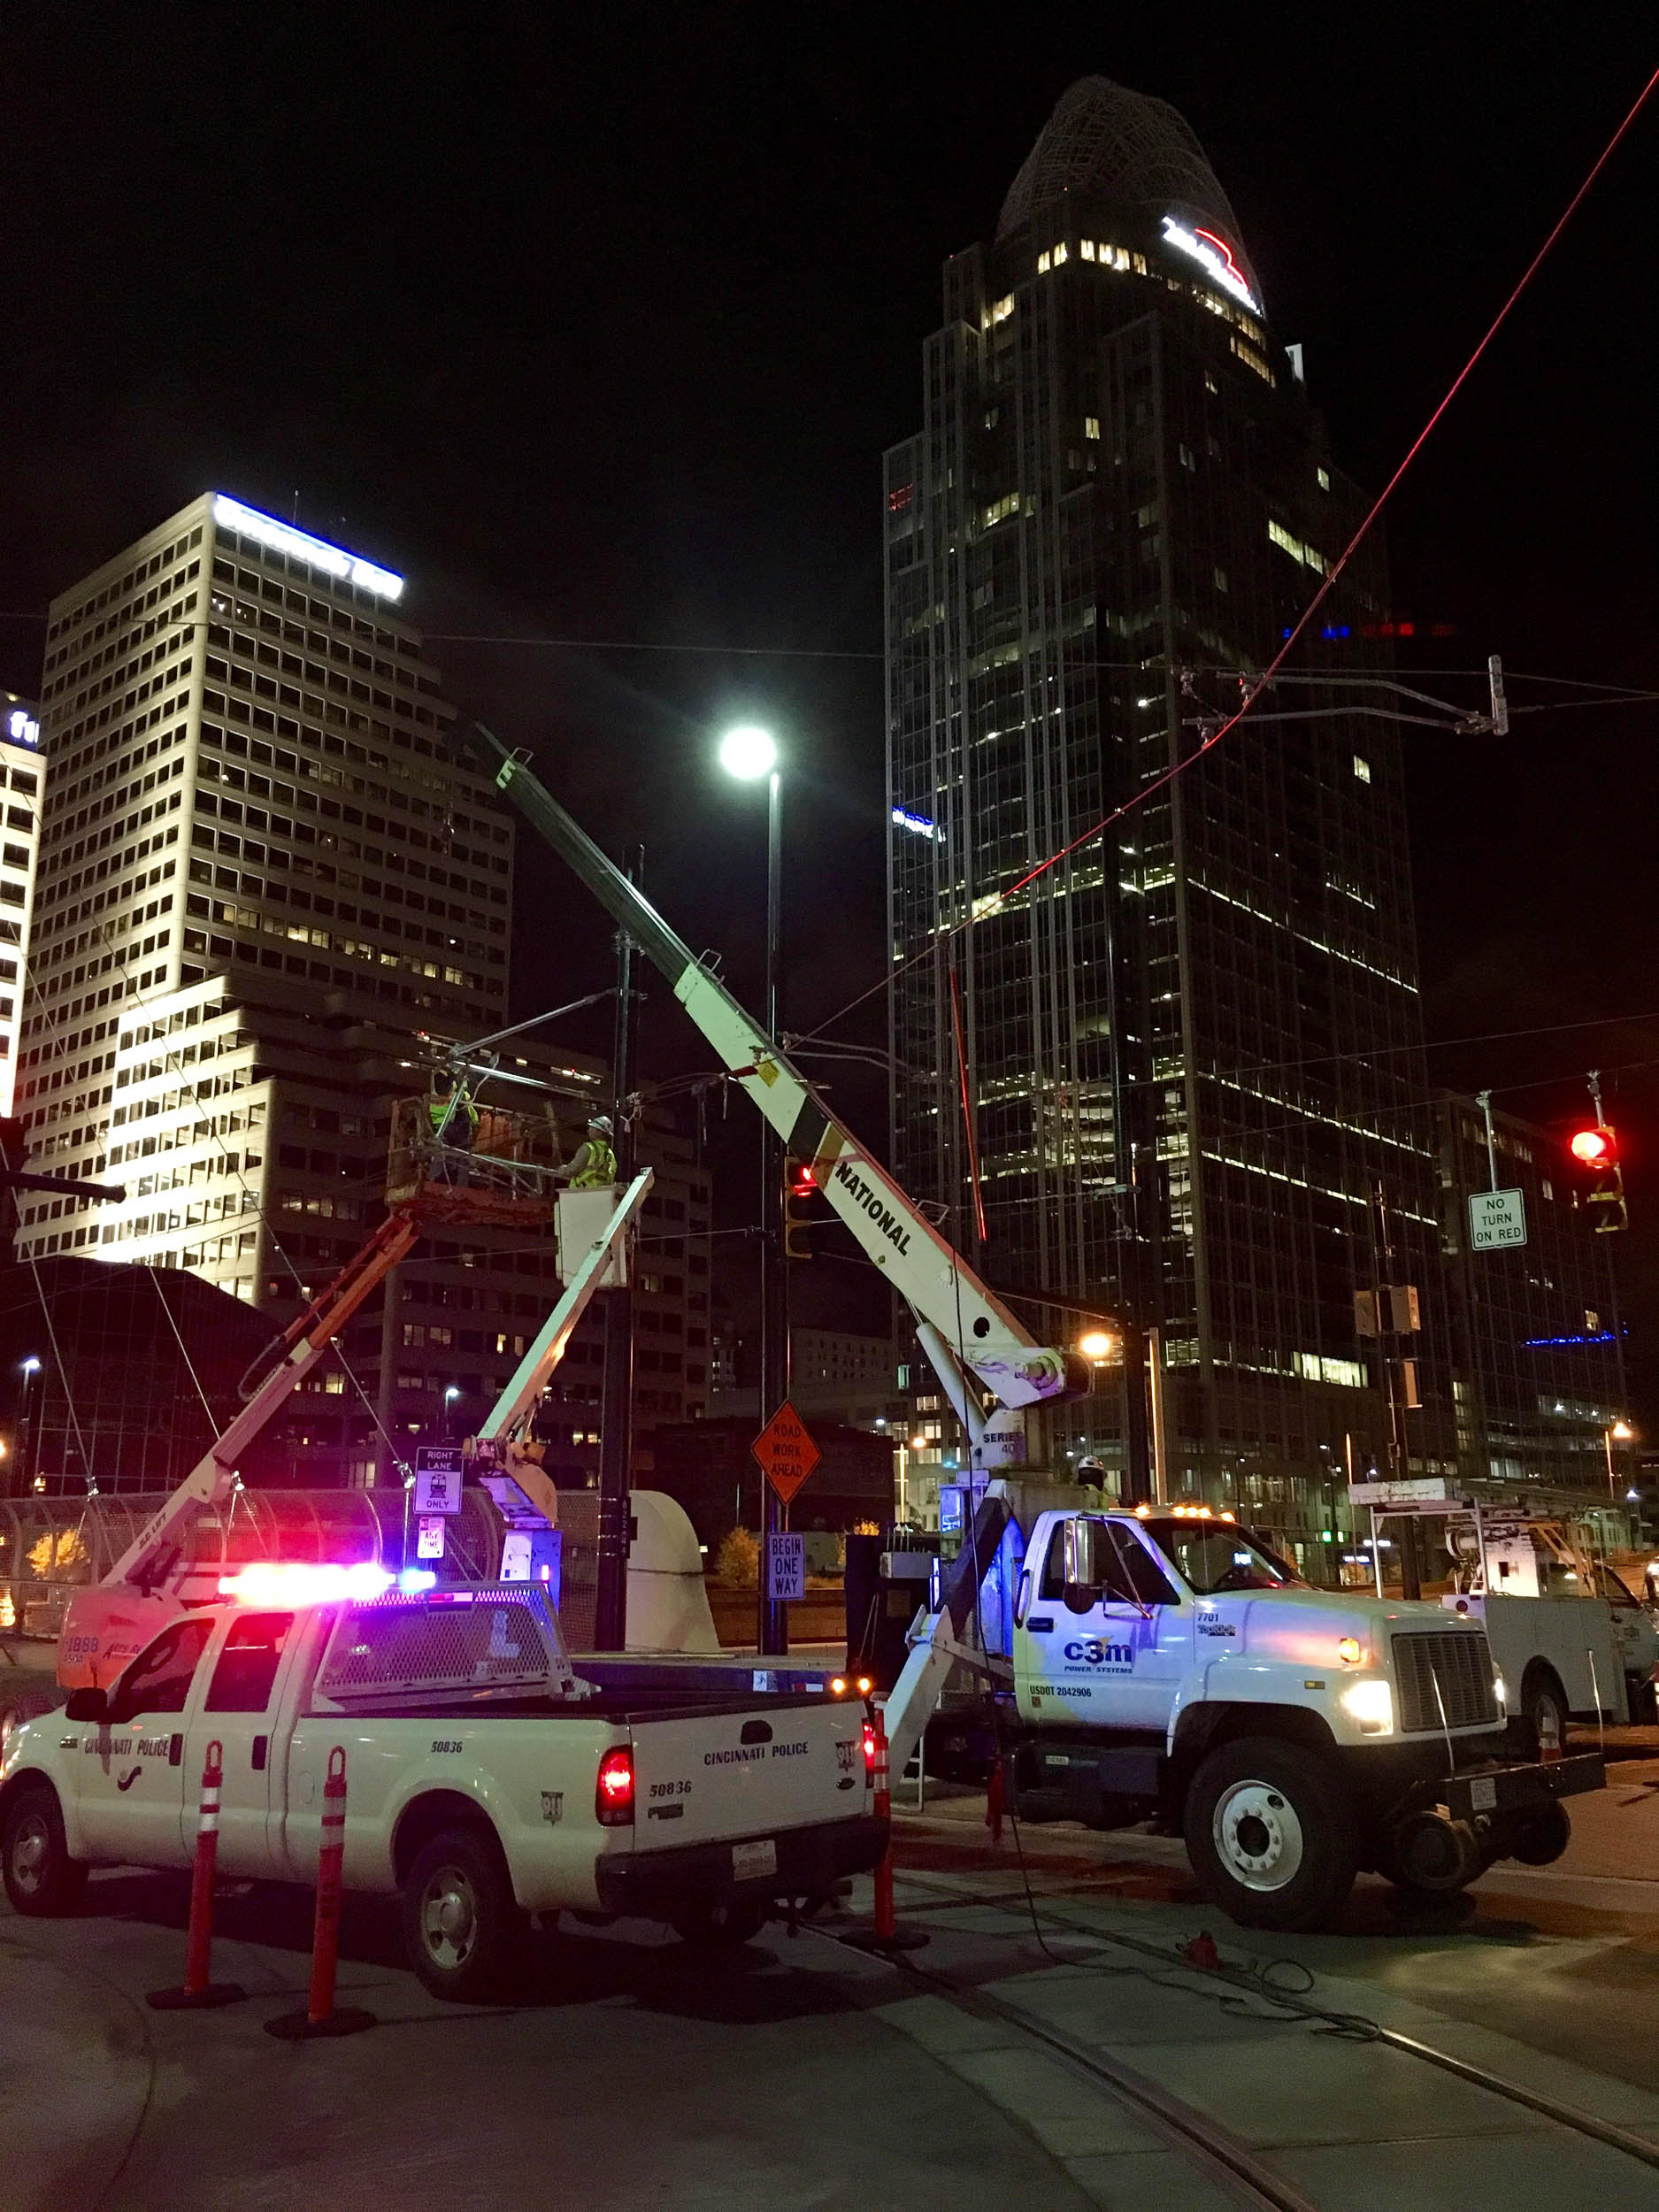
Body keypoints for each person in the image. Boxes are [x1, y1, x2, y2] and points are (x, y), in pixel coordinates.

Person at [427, 1075, 479, 1181]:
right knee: (445, 1156)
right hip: (445, 1123)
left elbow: (469, 1108)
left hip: (458, 1124)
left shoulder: (462, 1091)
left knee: (460, 1159)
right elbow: (442, 1090)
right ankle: (439, 1180)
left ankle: (459, 1183)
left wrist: (474, 1122)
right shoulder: (441, 1076)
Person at [554, 1114, 617, 1189]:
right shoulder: (611, 1155)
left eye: (592, 1128)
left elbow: (573, 1169)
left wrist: (562, 1170)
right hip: (602, 1194)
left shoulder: (588, 1148)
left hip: (582, 1192)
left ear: (599, 1132)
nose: (588, 1131)